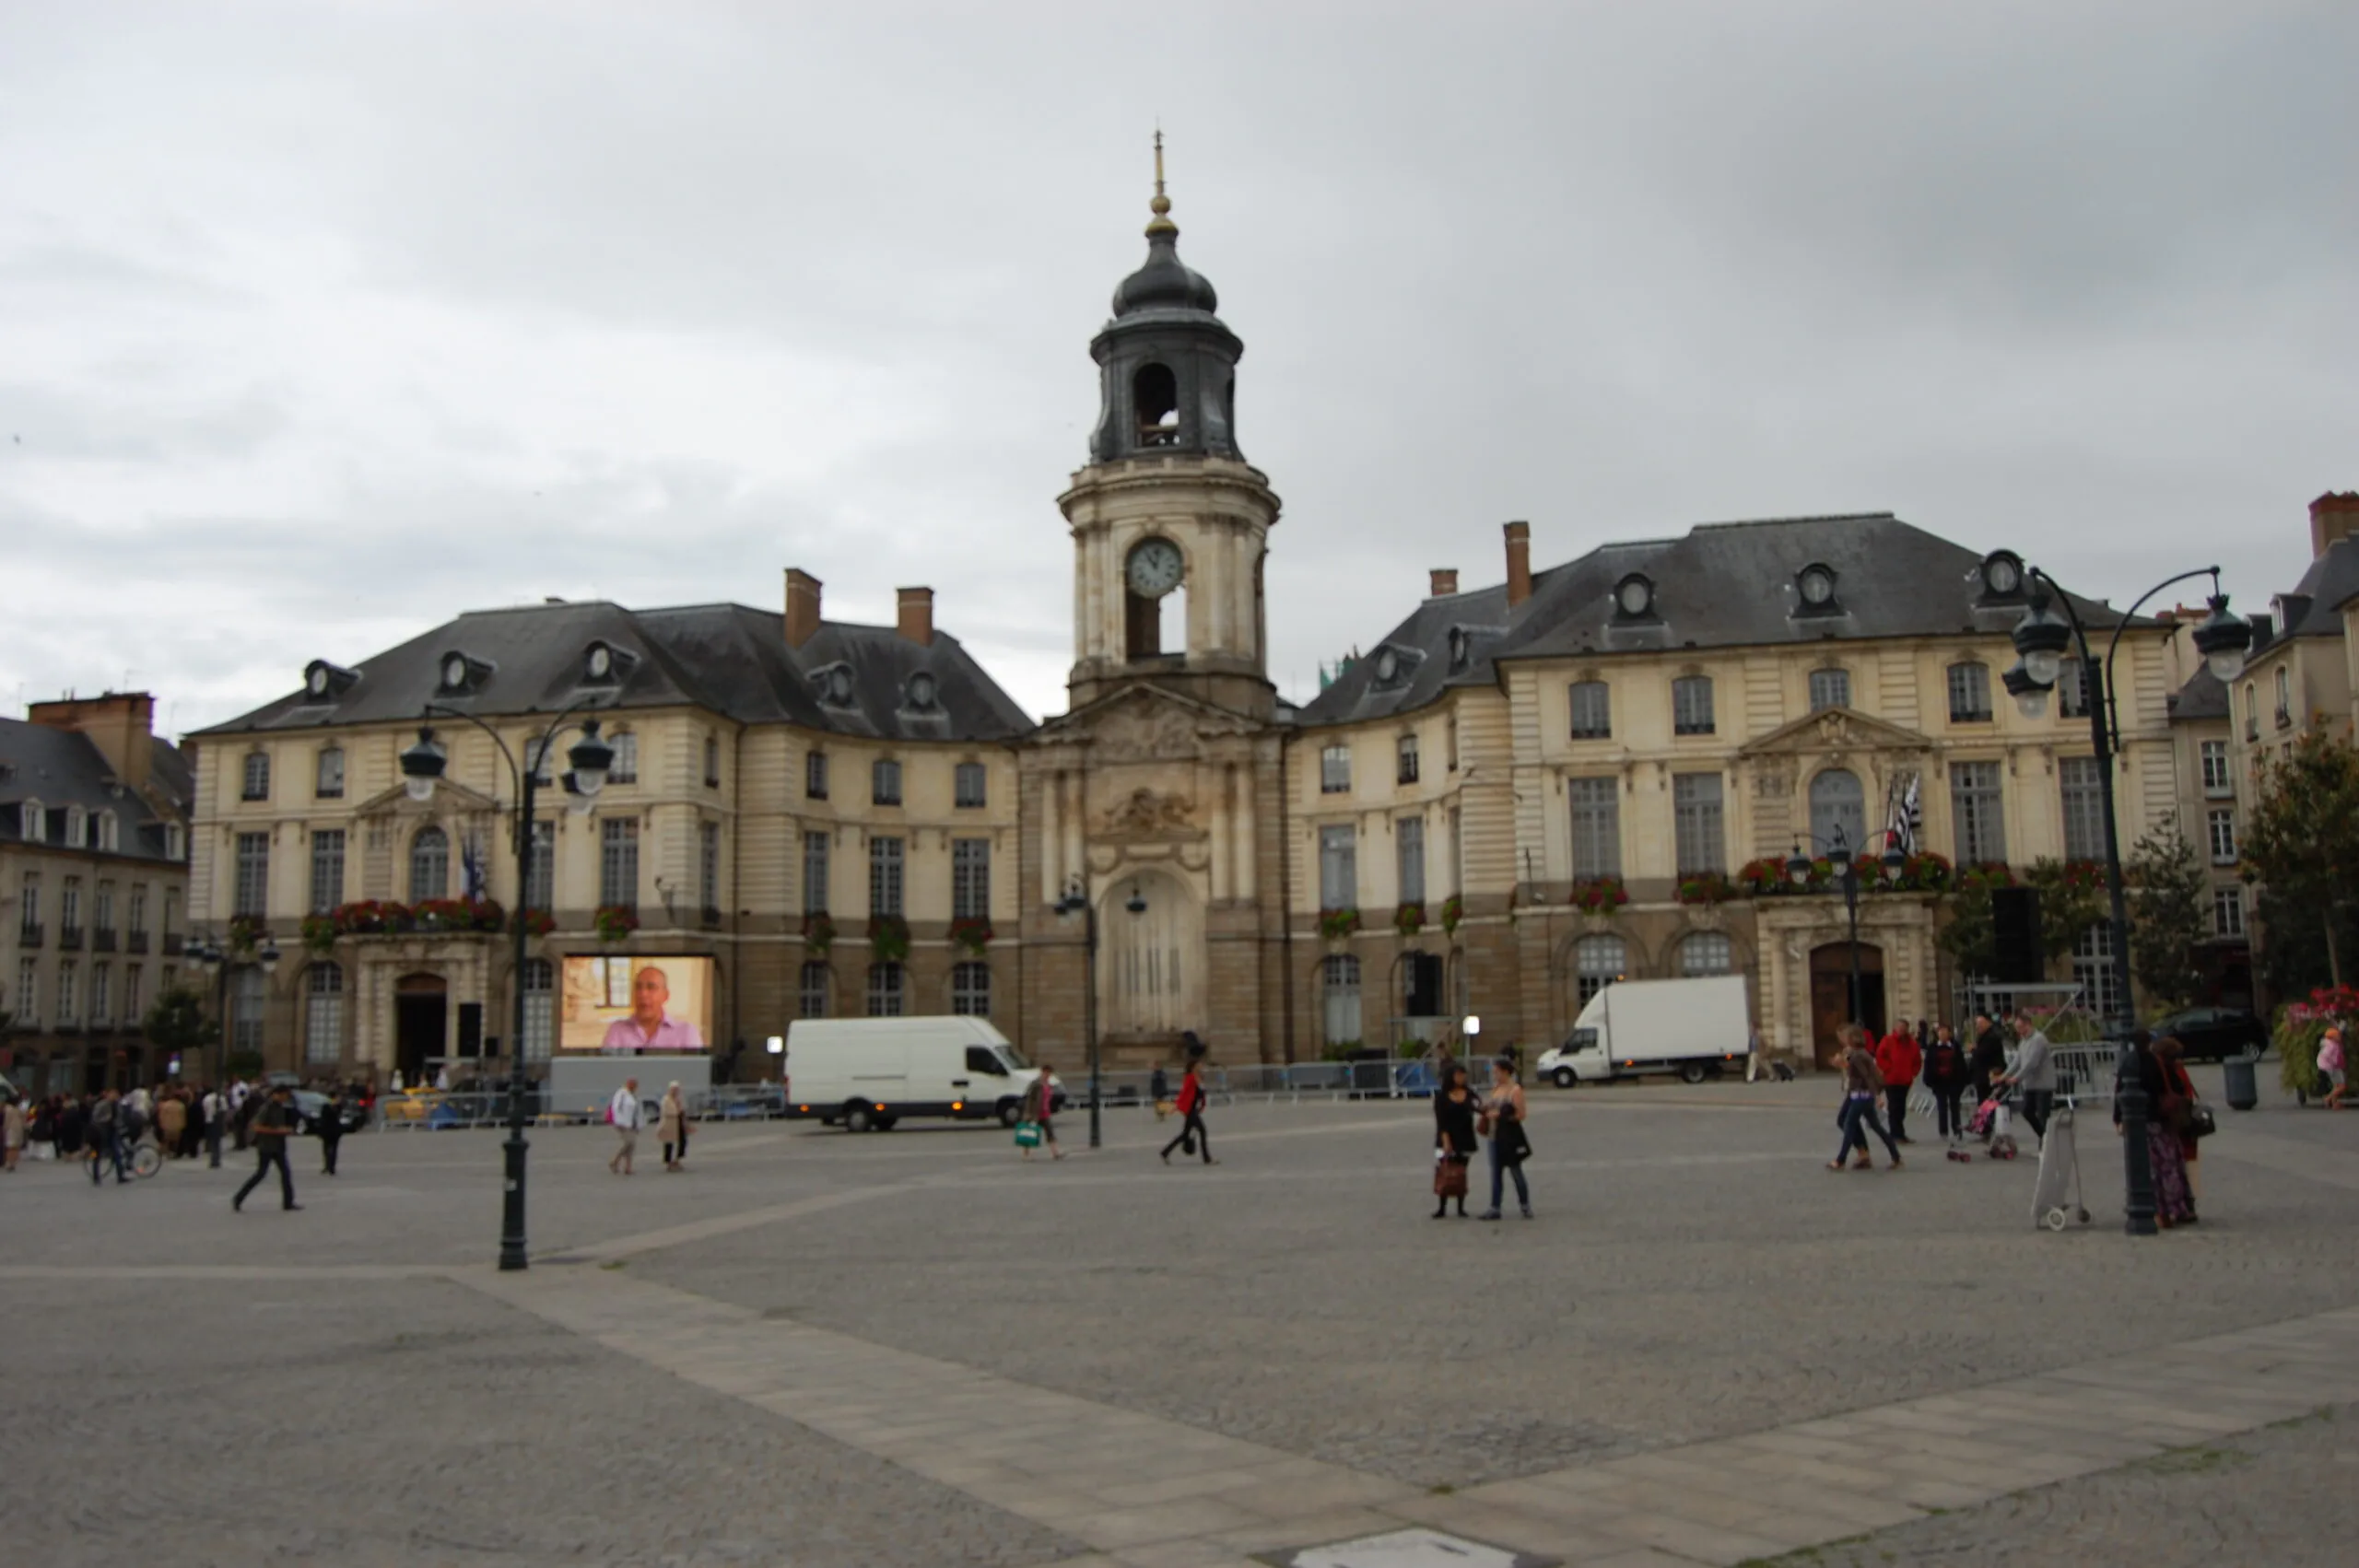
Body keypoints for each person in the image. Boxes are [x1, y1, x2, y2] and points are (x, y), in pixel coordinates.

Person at [1828, 1024, 1903, 1172]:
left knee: (1849, 1126)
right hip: (1858, 1095)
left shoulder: (1859, 1056)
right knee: (1876, 1127)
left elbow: (1867, 1077)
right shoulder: (1857, 1053)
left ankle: (1841, 1160)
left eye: (1845, 1037)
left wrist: (1877, 1097)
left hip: (1861, 1097)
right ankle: (1896, 1156)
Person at [1476, 1057, 1532, 1220]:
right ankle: (1495, 1206)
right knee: (1495, 1172)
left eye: (1497, 1072)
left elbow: (1521, 1114)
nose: (1495, 1075)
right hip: (1494, 1135)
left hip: (1509, 1136)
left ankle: (1525, 1204)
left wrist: (1501, 1115)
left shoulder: (1515, 1090)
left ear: (1506, 1071)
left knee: (1515, 1170)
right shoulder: (1496, 1089)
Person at [233, 1084, 301, 1212]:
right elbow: (255, 1126)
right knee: (260, 1174)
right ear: (278, 1094)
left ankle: (288, 1202)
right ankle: (238, 1198)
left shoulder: (279, 1108)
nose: (286, 1098)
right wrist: (277, 1131)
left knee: (286, 1173)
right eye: (285, 1095)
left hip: (278, 1146)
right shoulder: (267, 1107)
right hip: (267, 1146)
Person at [601, 966, 705, 1049]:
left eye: (651, 987)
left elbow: (695, 1073)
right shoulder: (617, 1031)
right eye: (638, 987)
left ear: (666, 996)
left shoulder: (686, 1032)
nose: (643, 994)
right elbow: (607, 1072)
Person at [1997, 1013, 2056, 1144]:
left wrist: (2016, 1078)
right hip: (2030, 1085)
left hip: (2043, 1085)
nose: (2018, 1030)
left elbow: (2031, 1063)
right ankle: (2045, 1137)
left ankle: (2045, 1144)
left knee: (2042, 1115)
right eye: (2017, 1027)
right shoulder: (2023, 1041)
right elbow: (2017, 1061)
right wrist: (2004, 1075)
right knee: (2027, 1111)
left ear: (2028, 1025)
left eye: (2020, 1027)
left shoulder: (2038, 1039)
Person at [1431, 1062, 1478, 1218]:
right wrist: (1446, 1140)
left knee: (1461, 1173)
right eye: (1458, 1075)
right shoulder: (1442, 1097)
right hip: (1447, 1137)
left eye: (1463, 1075)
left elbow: (1479, 1107)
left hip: (1465, 1138)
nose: (1461, 1078)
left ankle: (1460, 1207)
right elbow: (1441, 1121)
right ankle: (1442, 1206)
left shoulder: (1470, 1094)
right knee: (1445, 1171)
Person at [1160, 1059, 1215, 1165]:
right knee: (1202, 1131)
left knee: (1185, 1135)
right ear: (1193, 1066)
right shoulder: (1190, 1078)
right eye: (1199, 1064)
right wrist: (1177, 1105)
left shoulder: (1199, 1077)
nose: (1201, 1066)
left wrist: (1202, 1105)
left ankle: (1165, 1152)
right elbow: (1184, 1092)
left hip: (1194, 1109)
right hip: (1190, 1110)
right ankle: (1207, 1158)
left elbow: (1201, 1094)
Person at [1873, 1023, 1920, 1144]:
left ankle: (1900, 1133)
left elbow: (1917, 1060)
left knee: (1901, 1108)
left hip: (1905, 1080)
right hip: (1891, 1080)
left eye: (1904, 1028)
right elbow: (1880, 1056)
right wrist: (1888, 1068)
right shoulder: (1888, 1041)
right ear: (1895, 1028)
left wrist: (1912, 1073)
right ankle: (1895, 1134)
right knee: (1894, 1108)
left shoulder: (1912, 1044)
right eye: (1899, 1028)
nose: (1901, 1031)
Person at [1923, 1024, 1969, 1142]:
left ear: (1949, 1034)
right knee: (1942, 1107)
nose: (1942, 1034)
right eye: (1940, 1032)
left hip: (1954, 1081)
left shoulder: (1955, 1046)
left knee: (1955, 1107)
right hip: (1939, 1082)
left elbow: (1961, 1064)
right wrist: (1929, 1080)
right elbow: (1928, 1064)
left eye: (1945, 1032)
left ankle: (1957, 1130)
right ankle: (1943, 1131)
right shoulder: (1932, 1048)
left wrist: (1963, 1080)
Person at [1019, 1065, 1063, 1161]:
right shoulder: (1036, 1084)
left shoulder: (1048, 1084)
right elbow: (1029, 1098)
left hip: (1045, 1112)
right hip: (1035, 1112)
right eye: (1046, 1073)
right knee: (1030, 1133)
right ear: (1042, 1072)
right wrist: (1028, 1112)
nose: (1047, 1075)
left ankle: (1055, 1152)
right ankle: (1025, 1154)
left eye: (1049, 1074)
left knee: (1050, 1132)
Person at [87, 1089, 127, 1186]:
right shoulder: (102, 1104)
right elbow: (95, 1117)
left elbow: (119, 1118)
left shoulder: (117, 1105)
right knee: (96, 1155)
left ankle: (120, 1176)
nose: (115, 1097)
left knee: (117, 1154)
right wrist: (106, 1119)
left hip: (112, 1132)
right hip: (100, 1132)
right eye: (113, 1095)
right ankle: (96, 1177)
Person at [1968, 1012, 2008, 1106]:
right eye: (1977, 1024)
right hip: (1985, 1076)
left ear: (1988, 1023)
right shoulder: (1985, 1036)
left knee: (1988, 1103)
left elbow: (1983, 1054)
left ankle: (1988, 1120)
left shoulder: (1991, 1037)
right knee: (1985, 1103)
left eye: (1980, 1024)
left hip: (1989, 1076)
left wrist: (1973, 1050)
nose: (1978, 1027)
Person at [608, 1078, 643, 1175]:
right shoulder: (621, 1094)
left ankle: (628, 1167)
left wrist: (639, 1124)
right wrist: (619, 1121)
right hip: (623, 1123)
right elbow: (616, 1108)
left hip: (633, 1124)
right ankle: (615, 1161)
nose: (634, 1087)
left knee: (632, 1146)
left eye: (635, 1085)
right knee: (629, 1142)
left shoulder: (635, 1096)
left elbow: (638, 1111)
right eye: (632, 1085)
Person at [316, 1089, 346, 1176]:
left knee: (330, 1149)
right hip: (329, 1130)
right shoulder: (327, 1106)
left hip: (332, 1131)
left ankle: (330, 1167)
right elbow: (326, 1117)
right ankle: (328, 1166)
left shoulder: (336, 1105)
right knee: (328, 1149)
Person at [659, 1082, 687, 1172]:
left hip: (678, 1121)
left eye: (676, 1089)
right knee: (669, 1142)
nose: (675, 1091)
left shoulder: (679, 1099)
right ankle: (668, 1162)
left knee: (683, 1141)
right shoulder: (666, 1099)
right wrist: (677, 1110)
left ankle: (677, 1159)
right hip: (669, 1122)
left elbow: (682, 1110)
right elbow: (667, 1111)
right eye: (673, 1089)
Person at [2319, 1025, 2347, 1110]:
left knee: (2336, 1085)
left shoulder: (2330, 1044)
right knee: (2342, 1086)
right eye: (2337, 1036)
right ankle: (2328, 1098)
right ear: (2332, 1037)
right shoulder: (2332, 1046)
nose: (2339, 1037)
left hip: (2331, 1067)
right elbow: (2327, 1055)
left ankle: (2334, 1104)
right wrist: (2334, 1063)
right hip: (2333, 1067)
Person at [156, 1089, 187, 1160]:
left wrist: (161, 1124)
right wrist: (183, 1124)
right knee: (176, 1141)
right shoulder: (181, 1106)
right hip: (177, 1126)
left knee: (166, 1140)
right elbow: (183, 1116)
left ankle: (164, 1152)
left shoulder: (166, 1105)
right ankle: (173, 1153)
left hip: (167, 1125)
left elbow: (161, 1116)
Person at [202, 1082, 227, 1168]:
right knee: (218, 1141)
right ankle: (216, 1159)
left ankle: (213, 1159)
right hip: (218, 1121)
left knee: (212, 1140)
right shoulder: (222, 1098)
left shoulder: (207, 1098)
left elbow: (204, 1109)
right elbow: (224, 1110)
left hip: (210, 1120)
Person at [2, 1092, 24, 1173]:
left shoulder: (8, 1109)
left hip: (10, 1129)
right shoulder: (18, 1110)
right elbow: (23, 1119)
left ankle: (9, 1163)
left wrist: (5, 1128)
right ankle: (14, 1163)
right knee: (16, 1147)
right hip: (19, 1129)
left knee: (10, 1147)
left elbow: (7, 1121)